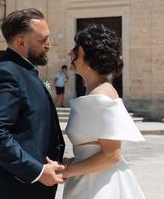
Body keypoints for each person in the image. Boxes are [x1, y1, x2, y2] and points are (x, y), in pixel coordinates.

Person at [0, 8, 66, 199]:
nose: (49, 44)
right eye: (42, 40)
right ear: (21, 42)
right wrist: (37, 172)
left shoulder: (25, 71)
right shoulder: (5, 74)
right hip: (11, 190)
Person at [61, 24, 146, 199]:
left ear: (90, 57)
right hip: (88, 180)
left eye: (76, 48)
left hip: (99, 187)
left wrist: (68, 171)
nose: (70, 53)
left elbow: (111, 155)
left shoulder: (101, 95)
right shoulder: (94, 91)